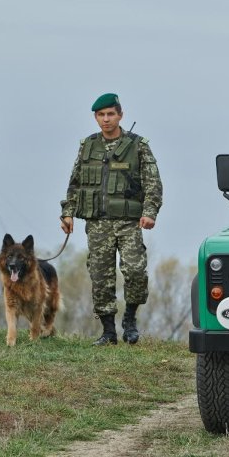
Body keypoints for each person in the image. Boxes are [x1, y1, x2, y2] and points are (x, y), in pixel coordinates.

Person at [59, 93, 163, 346]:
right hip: (97, 224)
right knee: (100, 276)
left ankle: (130, 320)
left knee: (135, 271)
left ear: (120, 115)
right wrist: (67, 212)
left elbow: (153, 183)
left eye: (111, 114)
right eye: (101, 115)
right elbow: (75, 182)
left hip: (129, 223)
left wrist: (150, 212)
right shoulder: (87, 146)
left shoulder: (138, 145)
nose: (106, 119)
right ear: (95, 117)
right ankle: (108, 332)